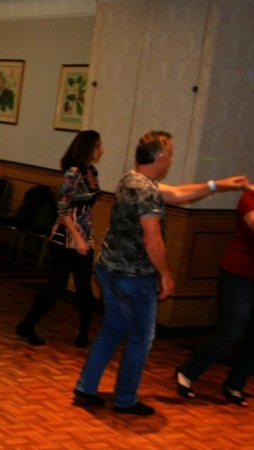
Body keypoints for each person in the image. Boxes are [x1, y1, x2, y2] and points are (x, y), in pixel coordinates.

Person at [73, 130, 251, 416]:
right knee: (141, 337)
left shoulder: (131, 180)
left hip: (109, 269)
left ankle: (86, 386)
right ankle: (125, 400)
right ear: (160, 157)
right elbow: (152, 238)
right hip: (134, 277)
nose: (171, 159)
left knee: (113, 330)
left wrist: (218, 185)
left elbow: (179, 194)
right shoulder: (146, 190)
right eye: (169, 154)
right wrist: (165, 274)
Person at [16, 130, 103, 347]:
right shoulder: (73, 173)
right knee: (57, 286)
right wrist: (78, 239)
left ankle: (83, 336)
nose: (101, 150)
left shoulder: (92, 171)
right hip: (65, 238)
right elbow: (63, 209)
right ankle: (27, 325)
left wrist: (85, 239)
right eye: (97, 146)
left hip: (84, 235)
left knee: (84, 288)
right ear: (86, 148)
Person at [176, 191, 254, 406]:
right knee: (231, 331)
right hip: (239, 274)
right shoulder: (249, 197)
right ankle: (187, 372)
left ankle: (234, 384)